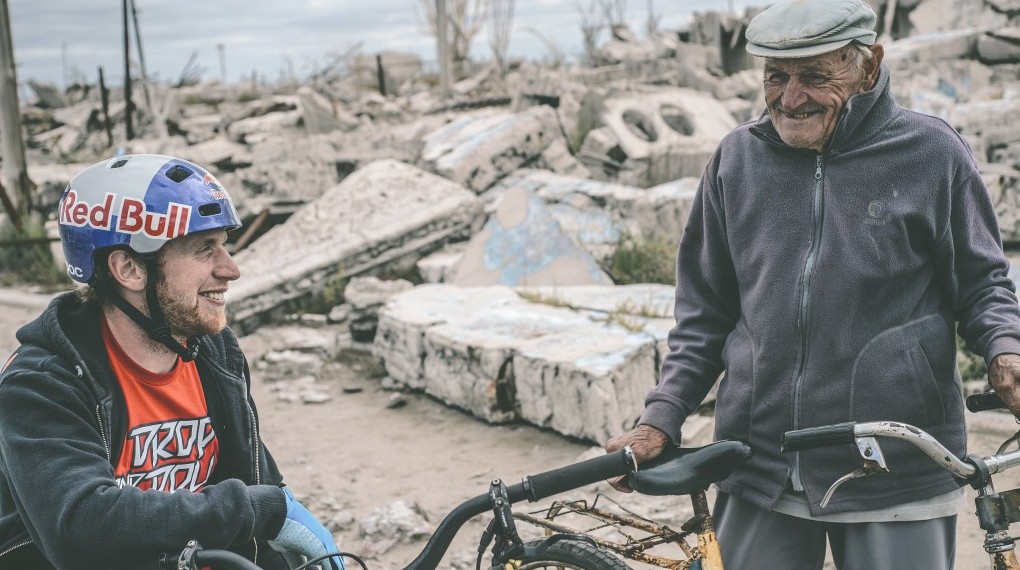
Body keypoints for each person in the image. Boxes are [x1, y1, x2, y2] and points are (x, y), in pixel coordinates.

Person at [606, 0, 1020, 568]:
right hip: (759, 463)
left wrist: (1004, 349)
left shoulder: (932, 155)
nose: (790, 97)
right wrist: (662, 415)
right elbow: (704, 313)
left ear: (869, 66)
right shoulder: (737, 161)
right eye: (776, 77)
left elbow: (983, 283)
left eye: (815, 77)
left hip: (893, 467)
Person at [0, 154, 345, 570]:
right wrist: (255, 510)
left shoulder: (212, 354)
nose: (231, 270)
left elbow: (257, 494)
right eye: (204, 250)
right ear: (128, 268)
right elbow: (80, 527)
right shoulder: (41, 384)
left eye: (225, 246)